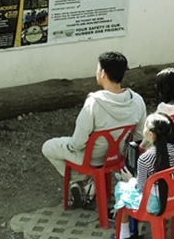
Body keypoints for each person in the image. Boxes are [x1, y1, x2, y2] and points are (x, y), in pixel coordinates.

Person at [42, 51, 146, 204]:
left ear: (103, 73)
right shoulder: (137, 100)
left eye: (98, 69)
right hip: (118, 156)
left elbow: (77, 143)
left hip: (91, 158)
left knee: (48, 147)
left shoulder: (94, 103)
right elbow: (139, 137)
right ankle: (86, 184)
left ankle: (82, 180)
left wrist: (70, 146)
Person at [110, 113, 174, 239]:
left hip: (154, 205)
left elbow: (141, 188)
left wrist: (130, 179)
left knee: (121, 187)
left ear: (151, 134)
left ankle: (124, 234)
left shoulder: (146, 159)